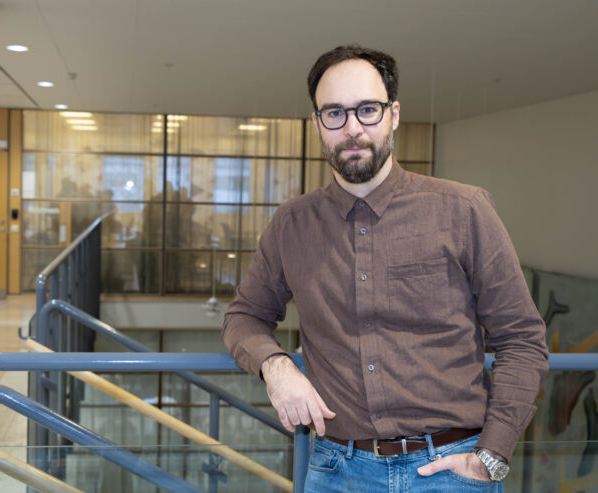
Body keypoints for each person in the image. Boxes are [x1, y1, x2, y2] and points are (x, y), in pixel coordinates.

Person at [222, 45, 549, 492]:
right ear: (317, 123)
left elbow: (522, 338)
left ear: (393, 114)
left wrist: (491, 455)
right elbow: (244, 317)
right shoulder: (292, 224)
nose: (353, 128)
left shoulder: (464, 209)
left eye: (367, 110)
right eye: (334, 113)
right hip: (338, 470)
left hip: (452, 469)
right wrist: (276, 367)